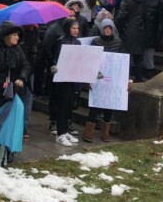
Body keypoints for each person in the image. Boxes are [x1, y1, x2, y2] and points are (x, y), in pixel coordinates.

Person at [83, 19, 127, 143]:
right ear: (102, 29)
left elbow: (123, 61)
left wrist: (125, 79)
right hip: (97, 77)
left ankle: (105, 131)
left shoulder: (118, 43)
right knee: (95, 106)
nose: (107, 30)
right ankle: (88, 131)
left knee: (109, 106)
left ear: (113, 29)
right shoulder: (95, 41)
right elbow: (90, 59)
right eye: (105, 28)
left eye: (110, 28)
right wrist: (88, 77)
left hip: (112, 79)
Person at [47, 17, 81, 147]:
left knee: (69, 105)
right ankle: (60, 133)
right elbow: (55, 58)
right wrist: (54, 66)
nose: (75, 30)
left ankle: (66, 130)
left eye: (77, 28)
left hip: (72, 78)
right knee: (61, 105)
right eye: (73, 28)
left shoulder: (77, 42)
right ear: (67, 28)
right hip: (62, 79)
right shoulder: (61, 42)